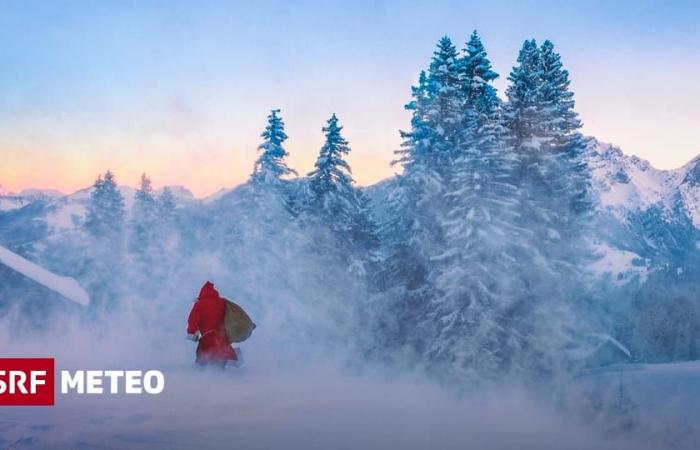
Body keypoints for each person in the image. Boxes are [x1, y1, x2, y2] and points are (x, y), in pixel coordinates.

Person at [187, 281, 237, 367]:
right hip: (221, 338)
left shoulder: (199, 304)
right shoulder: (222, 302)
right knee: (225, 360)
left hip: (207, 338)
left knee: (203, 362)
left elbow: (193, 319)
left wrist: (191, 332)